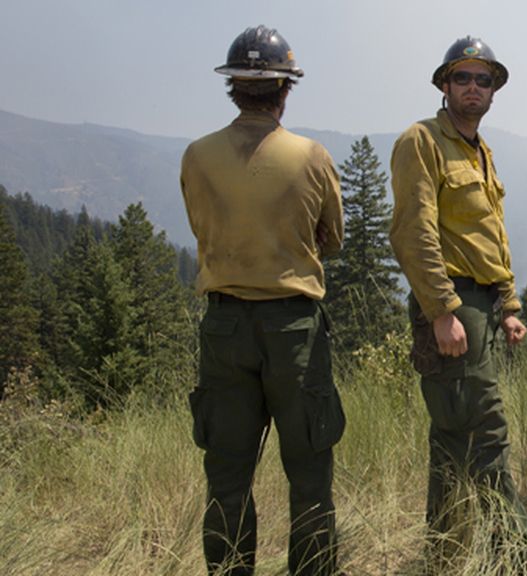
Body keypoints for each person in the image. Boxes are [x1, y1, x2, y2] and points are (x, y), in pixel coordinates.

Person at [180, 25, 345, 575]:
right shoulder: (311, 156)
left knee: (227, 478)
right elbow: (333, 237)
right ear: (285, 89)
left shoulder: (197, 156)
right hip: (293, 328)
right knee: (310, 476)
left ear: (233, 88)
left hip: (224, 327)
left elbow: (201, 228)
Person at [389, 36, 527, 568]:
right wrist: (442, 311)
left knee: (454, 437)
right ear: (444, 85)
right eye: (463, 78)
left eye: (484, 80)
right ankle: (520, 559)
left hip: (481, 308)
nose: (473, 88)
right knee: (487, 432)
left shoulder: (481, 151)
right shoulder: (423, 141)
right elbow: (414, 233)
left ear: (494, 91)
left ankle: (444, 554)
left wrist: (510, 304)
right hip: (453, 309)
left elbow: (490, 235)